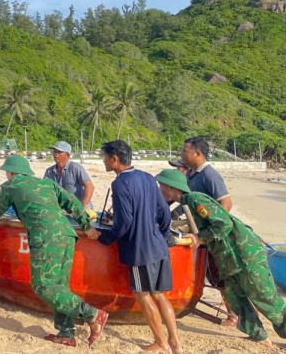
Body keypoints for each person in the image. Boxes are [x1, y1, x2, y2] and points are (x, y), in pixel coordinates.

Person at [0, 155, 109, 347]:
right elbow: (72, 202)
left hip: (46, 237)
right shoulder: (46, 183)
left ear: (10, 172)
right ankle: (66, 333)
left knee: (43, 285)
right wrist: (86, 226)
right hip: (67, 235)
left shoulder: (11, 186)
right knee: (59, 287)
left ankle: (93, 314)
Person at [157, 169, 286, 348]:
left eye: (161, 186)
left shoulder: (195, 200)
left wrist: (199, 237)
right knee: (235, 297)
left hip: (244, 254)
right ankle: (258, 336)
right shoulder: (186, 203)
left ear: (171, 188)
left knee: (264, 296)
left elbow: (223, 223)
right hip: (228, 258)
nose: (159, 189)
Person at [97, 140, 179, 354]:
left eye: (105, 157)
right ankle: (174, 343)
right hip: (158, 245)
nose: (104, 161)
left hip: (139, 249)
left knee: (142, 294)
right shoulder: (147, 177)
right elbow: (164, 212)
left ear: (115, 159)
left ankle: (161, 343)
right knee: (159, 294)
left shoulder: (119, 184)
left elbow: (124, 222)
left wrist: (106, 238)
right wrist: (161, 233)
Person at [180, 136, 237, 328]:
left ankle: (233, 315)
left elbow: (226, 204)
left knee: (220, 276)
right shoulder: (191, 175)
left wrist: (211, 230)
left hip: (212, 237)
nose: (181, 154)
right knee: (206, 274)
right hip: (198, 235)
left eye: (185, 151)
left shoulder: (209, 175)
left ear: (197, 153)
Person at [44, 141, 95, 210]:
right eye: (54, 151)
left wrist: (81, 208)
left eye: (59, 152)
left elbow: (90, 187)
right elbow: (44, 189)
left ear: (67, 155)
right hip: (63, 210)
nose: (55, 154)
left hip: (80, 208)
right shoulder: (49, 171)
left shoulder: (76, 168)